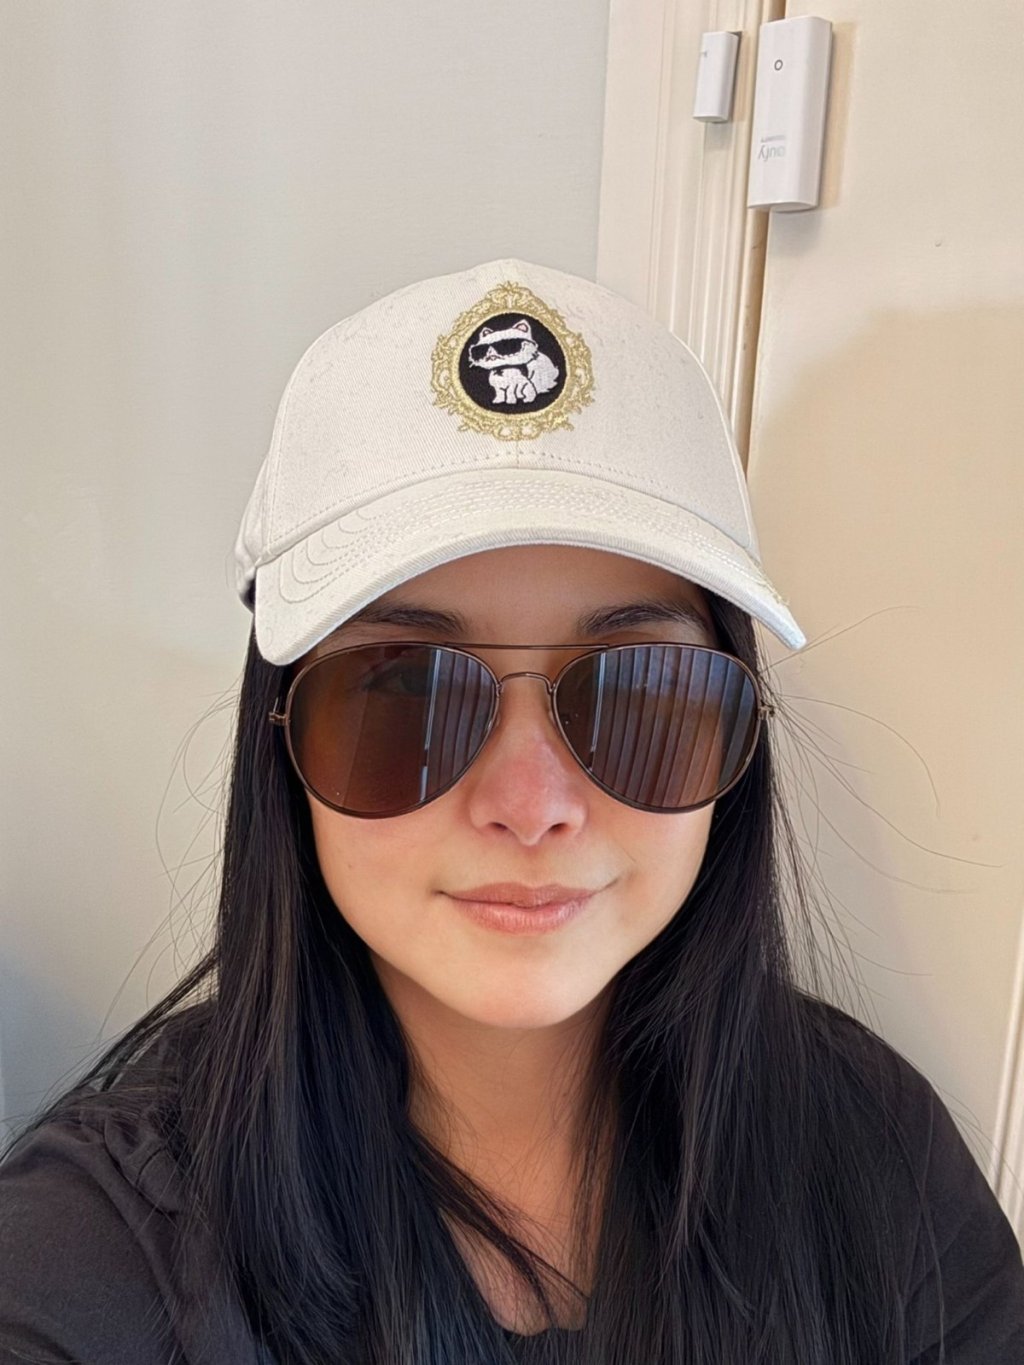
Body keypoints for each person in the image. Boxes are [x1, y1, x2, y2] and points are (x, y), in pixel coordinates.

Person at [1, 258, 1021, 1365]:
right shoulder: (94, 1252)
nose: (530, 807)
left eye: (638, 692)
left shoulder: (873, 1159)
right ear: (279, 739)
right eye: (401, 693)